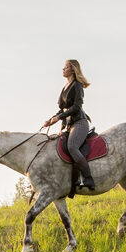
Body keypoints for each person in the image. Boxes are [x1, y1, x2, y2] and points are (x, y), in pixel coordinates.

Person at [41, 59, 95, 190]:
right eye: (63, 67)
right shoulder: (65, 87)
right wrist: (52, 119)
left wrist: (59, 117)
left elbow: (76, 107)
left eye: (65, 67)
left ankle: (88, 179)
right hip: (68, 125)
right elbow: (64, 109)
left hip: (79, 123)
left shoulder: (77, 85)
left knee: (72, 147)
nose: (63, 69)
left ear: (72, 69)